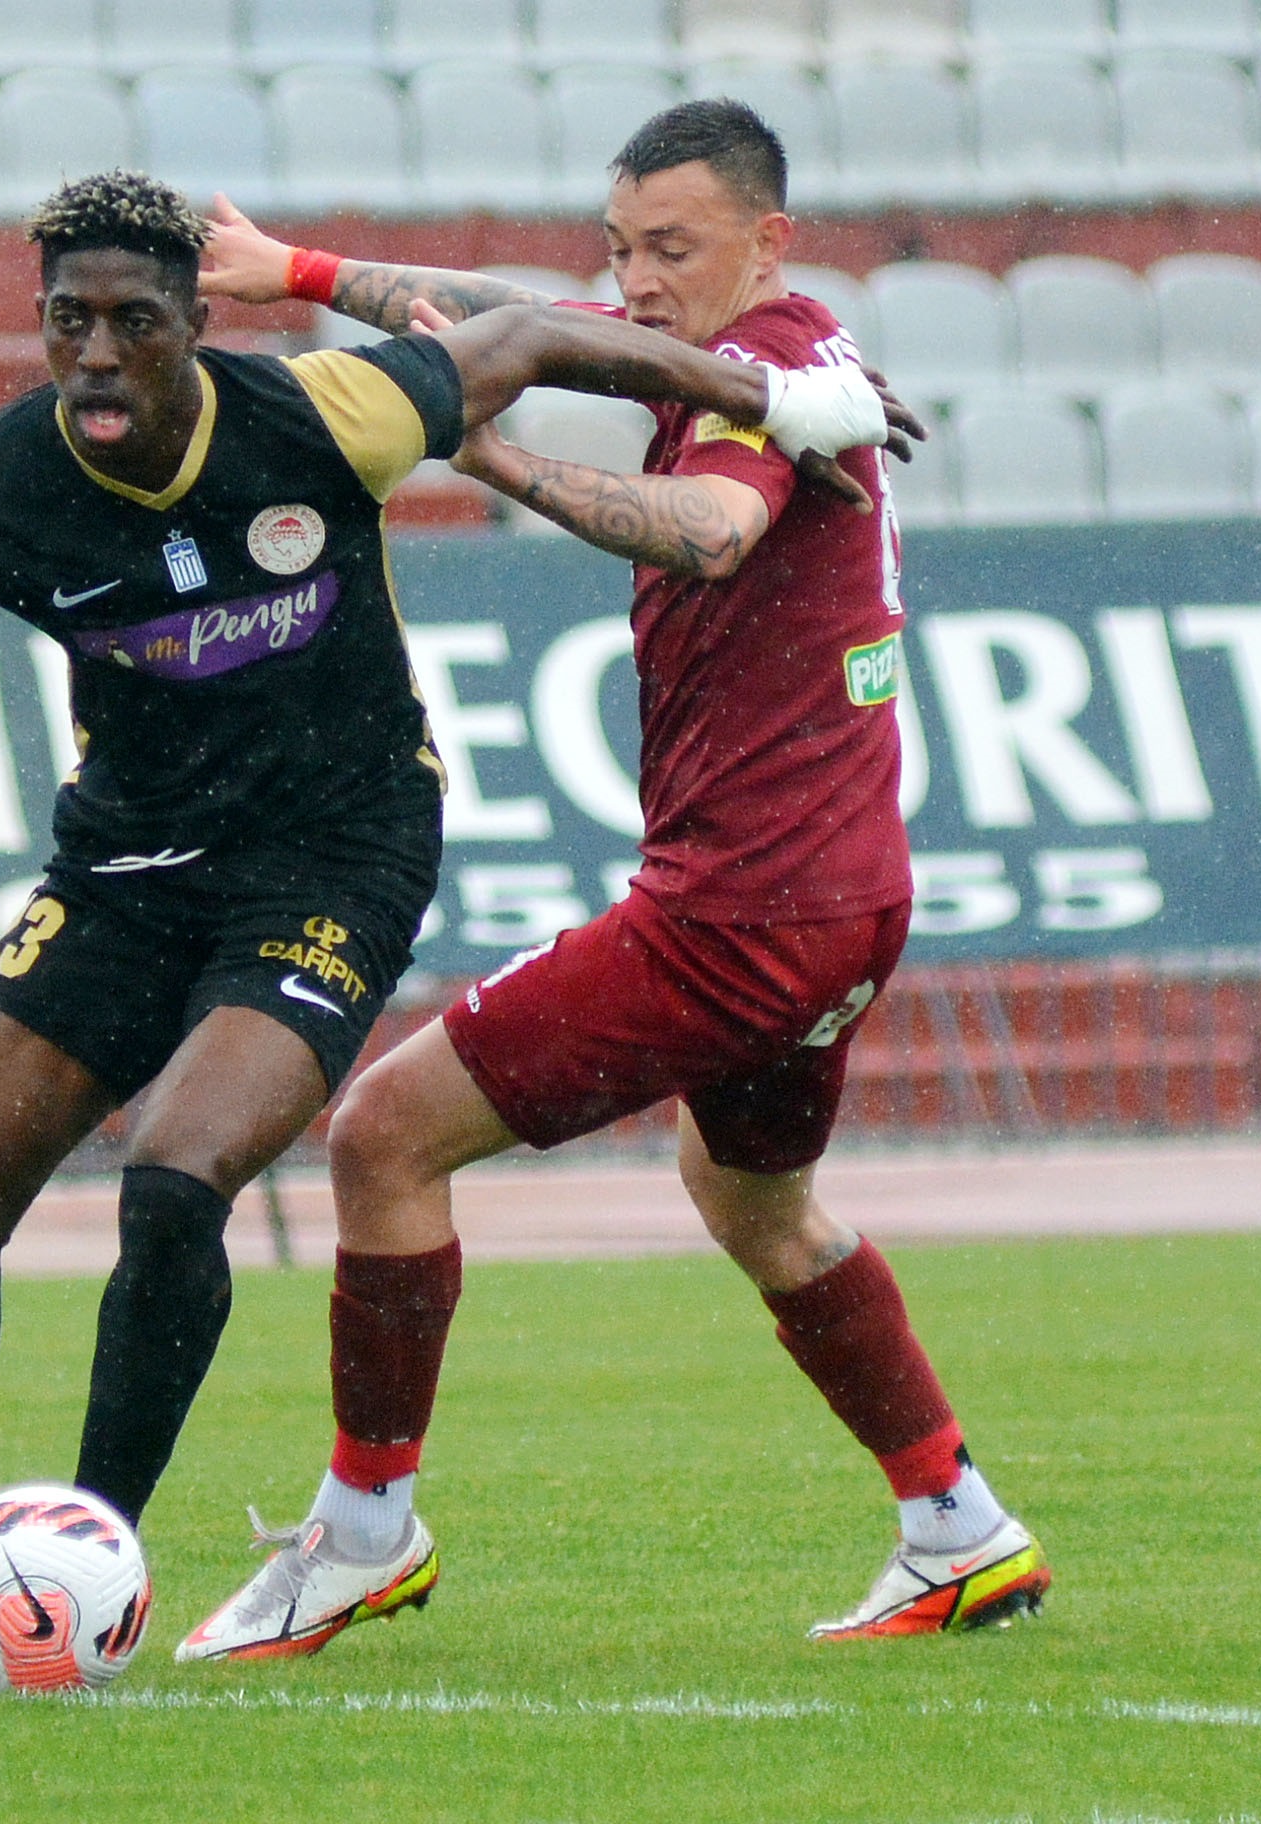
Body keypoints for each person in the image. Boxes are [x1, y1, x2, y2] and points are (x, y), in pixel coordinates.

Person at [0, 169, 910, 1676]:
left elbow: (528, 335)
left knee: (173, 1175)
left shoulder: (328, 413)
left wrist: (770, 399)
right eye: (68, 323)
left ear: (195, 324)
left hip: (337, 855)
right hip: (124, 866)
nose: (97, 357)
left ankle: (86, 1570)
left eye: (135, 323)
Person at [172, 99, 1048, 1662]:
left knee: (380, 1137)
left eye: (671, 250)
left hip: (740, 913)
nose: (637, 283)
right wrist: (293, 268)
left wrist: (490, 454)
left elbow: (708, 532)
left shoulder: (767, 379)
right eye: (622, 248)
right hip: (846, 898)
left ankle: (362, 1535)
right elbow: (509, 314)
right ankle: (956, 1524)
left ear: (768, 241)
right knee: (754, 1199)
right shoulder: (746, 350)